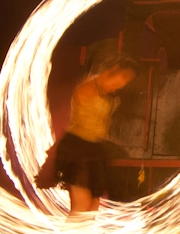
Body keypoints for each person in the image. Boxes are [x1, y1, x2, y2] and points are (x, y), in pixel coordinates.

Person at [56, 54, 139, 215]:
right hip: (77, 149)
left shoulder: (109, 94)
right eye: (123, 77)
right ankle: (72, 232)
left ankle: (83, 233)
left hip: (93, 151)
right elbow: (83, 120)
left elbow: (99, 126)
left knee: (93, 206)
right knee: (82, 206)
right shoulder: (87, 88)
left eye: (127, 80)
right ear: (113, 69)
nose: (123, 83)